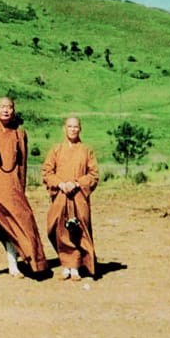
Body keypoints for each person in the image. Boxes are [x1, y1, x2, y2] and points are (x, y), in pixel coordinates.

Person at [0, 97, 49, 279]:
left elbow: (22, 163)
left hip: (13, 189)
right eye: (2, 107)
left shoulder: (19, 134)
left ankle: (14, 266)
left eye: (9, 107)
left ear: (14, 110)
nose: (6, 110)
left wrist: (20, 185)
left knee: (13, 227)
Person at [41, 117, 99, 281]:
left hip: (79, 196)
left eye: (76, 127)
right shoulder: (56, 149)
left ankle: (75, 268)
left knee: (78, 230)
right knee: (57, 229)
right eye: (70, 126)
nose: (73, 129)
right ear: (64, 129)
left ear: (80, 129)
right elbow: (47, 172)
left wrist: (76, 183)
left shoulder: (87, 150)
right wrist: (60, 184)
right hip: (60, 196)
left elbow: (93, 175)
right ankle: (65, 264)